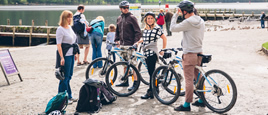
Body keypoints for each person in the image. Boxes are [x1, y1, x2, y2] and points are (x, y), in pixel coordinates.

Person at [170, 0, 205, 111]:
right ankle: (201, 100)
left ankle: (186, 105)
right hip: (199, 52)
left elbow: (172, 28)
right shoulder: (201, 20)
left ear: (184, 11)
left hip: (189, 54)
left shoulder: (188, 22)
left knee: (189, 80)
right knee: (198, 77)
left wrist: (176, 14)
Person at [135, 12, 167, 99]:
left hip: (152, 52)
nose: (149, 20)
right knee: (152, 73)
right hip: (146, 53)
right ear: (145, 20)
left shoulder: (156, 29)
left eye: (151, 18)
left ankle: (150, 92)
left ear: (154, 19)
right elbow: (145, 39)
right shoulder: (145, 29)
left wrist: (163, 49)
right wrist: (138, 42)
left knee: (151, 73)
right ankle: (155, 89)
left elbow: (164, 38)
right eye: (148, 18)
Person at [114, 1, 142, 91]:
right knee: (124, 64)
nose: (126, 9)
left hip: (131, 45)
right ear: (120, 9)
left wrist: (135, 43)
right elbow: (117, 31)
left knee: (134, 65)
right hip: (122, 45)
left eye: (127, 7)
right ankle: (125, 81)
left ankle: (136, 83)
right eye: (124, 7)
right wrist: (116, 40)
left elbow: (138, 32)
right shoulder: (119, 18)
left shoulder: (132, 18)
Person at [55, 10, 79, 104]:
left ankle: (69, 96)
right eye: (68, 17)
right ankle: (62, 98)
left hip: (71, 54)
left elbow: (73, 41)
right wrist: (62, 57)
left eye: (71, 17)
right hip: (65, 56)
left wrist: (75, 53)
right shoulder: (60, 29)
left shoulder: (69, 27)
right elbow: (59, 45)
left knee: (69, 76)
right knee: (64, 77)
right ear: (64, 18)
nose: (70, 19)